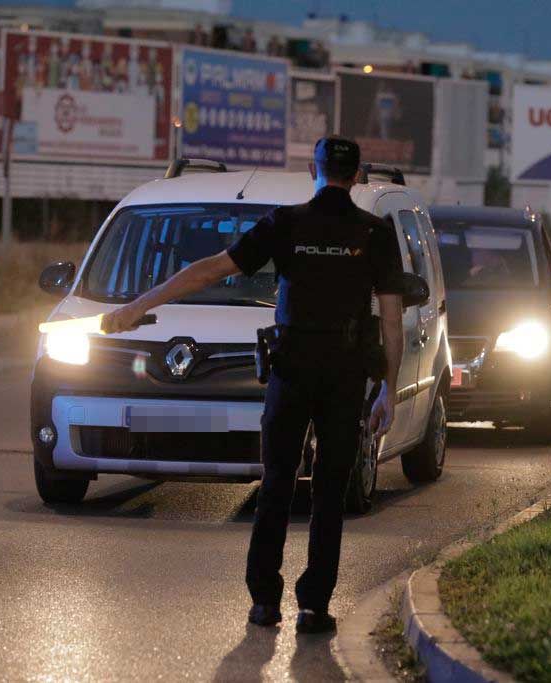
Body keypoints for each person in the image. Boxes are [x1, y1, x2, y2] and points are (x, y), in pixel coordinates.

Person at [102, 136, 404, 634]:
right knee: (330, 492)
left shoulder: (285, 224)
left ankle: (265, 602)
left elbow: (211, 270)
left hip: (291, 373)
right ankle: (314, 607)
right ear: (356, 178)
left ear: (315, 169)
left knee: (277, 484)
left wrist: (138, 306)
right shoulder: (373, 232)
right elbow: (391, 322)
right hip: (345, 377)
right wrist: (389, 389)